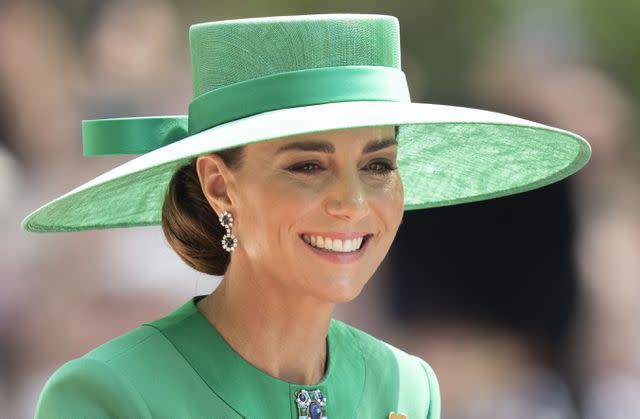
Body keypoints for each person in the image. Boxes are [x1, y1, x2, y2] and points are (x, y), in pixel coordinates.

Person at [22, 14, 591, 418]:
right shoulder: (108, 397)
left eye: (377, 165)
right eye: (307, 166)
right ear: (220, 186)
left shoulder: (409, 388)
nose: (352, 203)